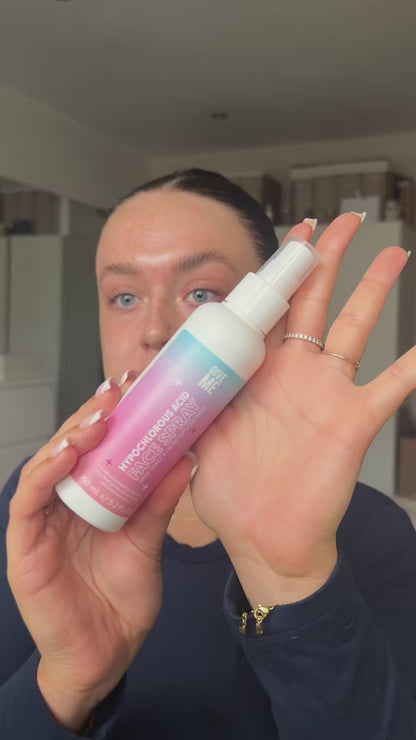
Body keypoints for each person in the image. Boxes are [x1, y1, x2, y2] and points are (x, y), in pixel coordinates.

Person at [1, 168, 416, 739]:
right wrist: (69, 681)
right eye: (124, 297)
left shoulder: (376, 532)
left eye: (202, 293)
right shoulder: (45, 503)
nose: (154, 331)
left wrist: (290, 581)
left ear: (279, 315)